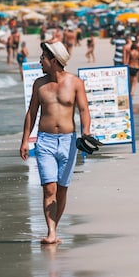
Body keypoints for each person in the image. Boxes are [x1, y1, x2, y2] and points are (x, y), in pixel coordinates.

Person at [20, 42, 93, 245]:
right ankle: (51, 232)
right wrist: (25, 140)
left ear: (54, 61)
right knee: (49, 188)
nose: (40, 61)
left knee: (62, 189)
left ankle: (55, 227)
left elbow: (84, 110)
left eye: (42, 58)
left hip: (69, 142)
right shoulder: (39, 84)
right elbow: (32, 112)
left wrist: (86, 132)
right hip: (45, 141)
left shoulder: (75, 83)